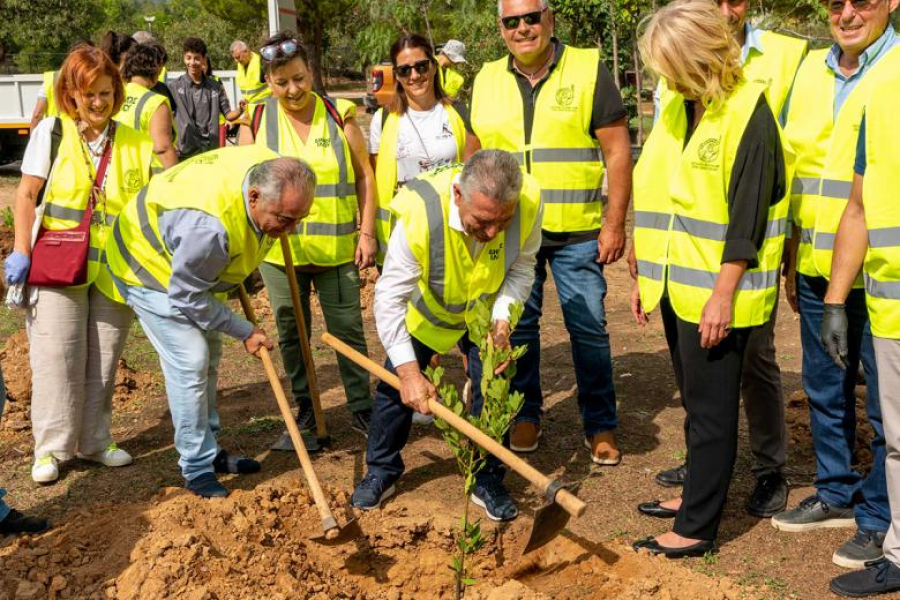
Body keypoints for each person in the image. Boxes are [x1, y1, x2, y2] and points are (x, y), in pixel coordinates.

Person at [630, 0, 789, 558]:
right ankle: (694, 494)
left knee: (716, 411)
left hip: (719, 293)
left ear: (701, 57)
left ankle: (696, 527)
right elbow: (666, 192)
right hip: (678, 284)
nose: (665, 78)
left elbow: (748, 219)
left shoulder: (751, 114)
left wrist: (723, 295)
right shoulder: (682, 105)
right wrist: (645, 268)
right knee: (697, 405)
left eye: (672, 65)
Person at [466, 0, 632, 463]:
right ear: (501, 28)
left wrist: (614, 223)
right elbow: (473, 156)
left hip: (577, 233)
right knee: (516, 329)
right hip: (511, 234)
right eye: (511, 22)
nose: (523, 29)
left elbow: (617, 152)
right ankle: (526, 414)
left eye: (531, 18)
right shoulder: (485, 79)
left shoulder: (587, 68)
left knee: (589, 330)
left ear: (550, 18)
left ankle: (601, 424)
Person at [105, 146, 315, 498]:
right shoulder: (211, 230)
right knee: (191, 360)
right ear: (253, 196)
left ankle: (209, 448)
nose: (290, 231)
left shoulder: (269, 166)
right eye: (284, 219)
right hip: (147, 264)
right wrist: (245, 330)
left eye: (298, 219)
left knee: (210, 353)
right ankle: (197, 468)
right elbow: (186, 295)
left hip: (188, 258)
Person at [772, 0, 900, 570]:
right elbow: (797, 164)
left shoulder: (894, 68)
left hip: (879, 267)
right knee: (823, 385)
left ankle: (878, 517)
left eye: (863, 1)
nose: (847, 13)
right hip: (819, 259)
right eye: (835, 3)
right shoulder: (809, 71)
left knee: (884, 401)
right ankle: (835, 492)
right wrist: (792, 244)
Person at [351, 150, 542, 522]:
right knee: (395, 387)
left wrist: (502, 324)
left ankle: (486, 479)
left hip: (484, 310)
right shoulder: (419, 213)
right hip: (430, 311)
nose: (491, 234)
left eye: (502, 222)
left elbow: (522, 268)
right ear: (458, 195)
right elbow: (389, 299)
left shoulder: (530, 201)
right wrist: (409, 373)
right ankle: (382, 470)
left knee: (494, 386)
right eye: (483, 221)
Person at [3, 45, 154, 484]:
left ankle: (94, 441)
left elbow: (151, 205)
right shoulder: (51, 132)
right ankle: (50, 448)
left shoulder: (136, 142)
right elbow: (27, 195)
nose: (98, 102)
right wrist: (21, 251)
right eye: (89, 94)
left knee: (104, 359)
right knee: (57, 357)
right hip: (57, 268)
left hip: (115, 271)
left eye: (106, 92)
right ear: (71, 92)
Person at [238, 33, 377, 449]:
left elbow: (364, 176)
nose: (293, 90)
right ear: (267, 80)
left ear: (310, 72)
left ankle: (361, 408)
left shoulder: (339, 114)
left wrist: (366, 232)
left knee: (348, 330)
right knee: (291, 333)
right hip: (281, 255)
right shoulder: (258, 119)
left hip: (336, 251)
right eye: (281, 83)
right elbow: (241, 183)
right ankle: (306, 409)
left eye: (299, 78)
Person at [823, 72, 900, 598]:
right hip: (892, 310)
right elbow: (859, 206)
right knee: (898, 444)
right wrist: (835, 301)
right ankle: (898, 556)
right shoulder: (885, 94)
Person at [369, 34, 469, 265]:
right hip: (401, 239)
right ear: (396, 75)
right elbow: (375, 181)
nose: (414, 76)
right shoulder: (382, 120)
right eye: (405, 70)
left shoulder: (460, 114)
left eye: (421, 66)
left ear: (434, 67)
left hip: (450, 235)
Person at [169, 37, 242, 160]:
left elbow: (228, 115)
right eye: (188, 58)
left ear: (203, 59)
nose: (192, 62)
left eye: (197, 58)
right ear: (184, 58)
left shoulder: (216, 86)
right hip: (184, 152)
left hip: (210, 150)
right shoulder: (174, 87)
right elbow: (166, 118)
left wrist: (240, 109)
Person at [115, 43, 178, 170]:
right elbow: (162, 148)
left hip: (120, 173)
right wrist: (177, 181)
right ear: (155, 70)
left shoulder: (115, 98)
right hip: (152, 177)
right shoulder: (155, 103)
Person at [231, 40, 271, 105]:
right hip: (251, 109)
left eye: (238, 57)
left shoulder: (261, 63)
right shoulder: (241, 66)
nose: (236, 61)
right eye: (234, 58)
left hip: (267, 108)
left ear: (246, 51)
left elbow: (276, 88)